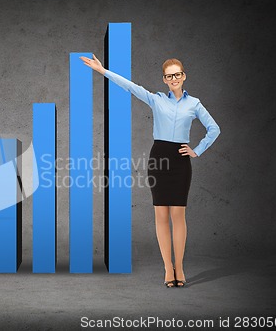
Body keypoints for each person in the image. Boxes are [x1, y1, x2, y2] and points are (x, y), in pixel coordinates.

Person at [80, 54, 220, 288]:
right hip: (159, 159)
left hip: (180, 161)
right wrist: (102, 70)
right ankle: (168, 268)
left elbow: (214, 129)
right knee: (161, 215)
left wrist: (197, 150)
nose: (173, 78)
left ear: (183, 76)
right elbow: (130, 87)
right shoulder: (156, 100)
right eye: (169, 76)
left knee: (178, 215)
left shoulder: (194, 104)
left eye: (177, 74)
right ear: (164, 80)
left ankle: (181, 267)